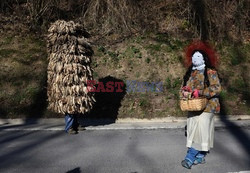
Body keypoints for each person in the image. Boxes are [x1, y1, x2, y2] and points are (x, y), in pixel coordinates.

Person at [180, 40, 222, 169]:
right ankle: (201, 154)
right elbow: (185, 87)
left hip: (209, 105)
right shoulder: (190, 73)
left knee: (201, 128)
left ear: (204, 58)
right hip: (194, 105)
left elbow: (217, 88)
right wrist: (186, 91)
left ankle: (190, 157)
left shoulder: (210, 72)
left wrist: (202, 92)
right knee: (193, 128)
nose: (195, 59)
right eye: (193, 56)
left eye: (198, 56)